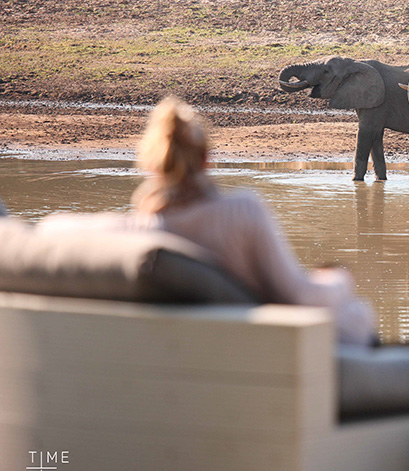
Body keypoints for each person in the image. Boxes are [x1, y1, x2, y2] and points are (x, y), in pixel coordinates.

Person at [45, 96, 377, 346]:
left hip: (189, 349)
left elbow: (56, 228)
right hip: (262, 350)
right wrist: (338, 280)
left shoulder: (141, 230)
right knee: (356, 314)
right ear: (206, 159)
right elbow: (300, 295)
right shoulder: (241, 212)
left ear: (153, 165)